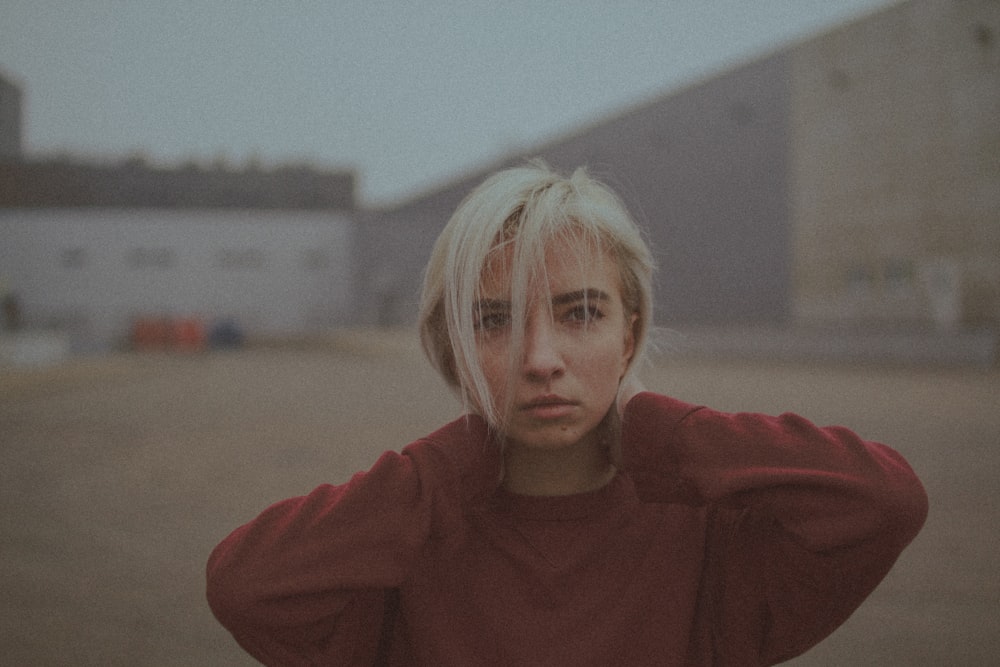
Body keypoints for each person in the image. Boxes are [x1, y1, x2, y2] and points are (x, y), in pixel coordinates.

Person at [206, 162, 928, 666]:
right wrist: (453, 463)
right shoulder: (405, 538)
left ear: (631, 333)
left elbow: (886, 501)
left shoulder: (712, 540)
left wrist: (662, 431)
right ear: (450, 348)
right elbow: (244, 587)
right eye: (493, 321)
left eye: (580, 312)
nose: (540, 357)